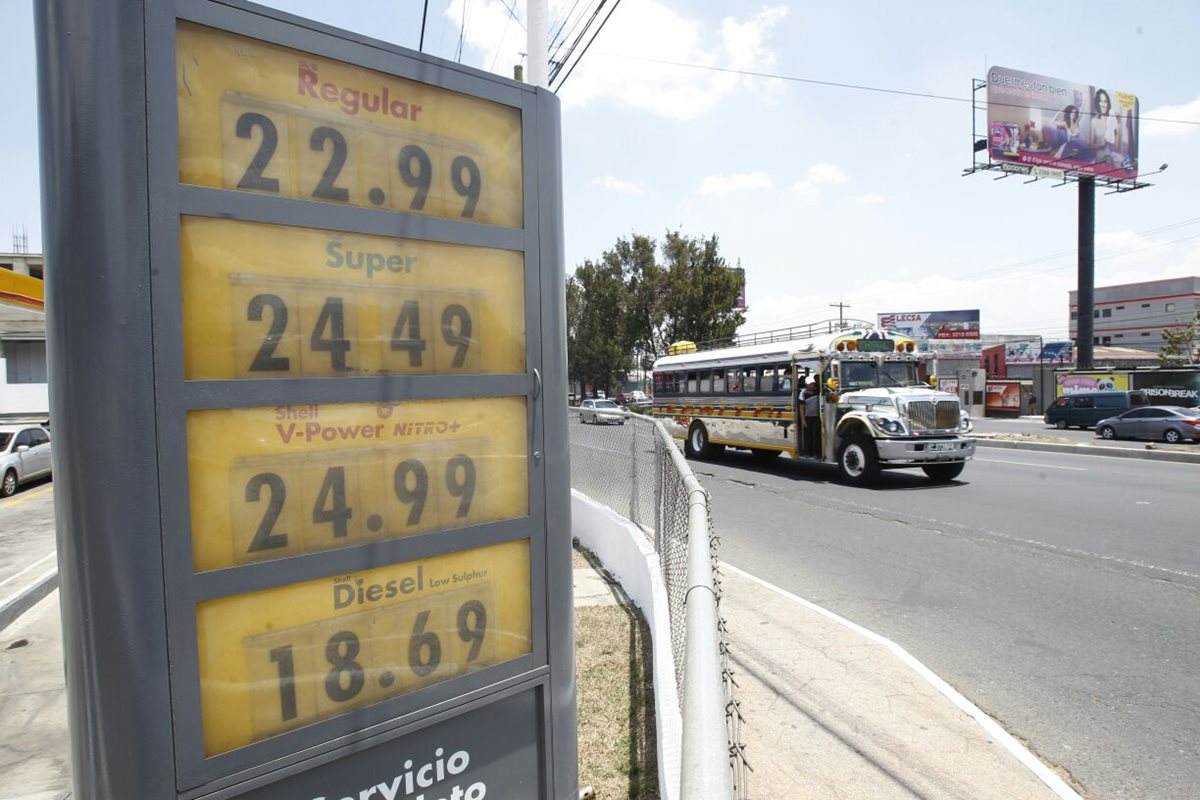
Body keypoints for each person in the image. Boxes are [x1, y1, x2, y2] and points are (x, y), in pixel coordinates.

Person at [1089, 88, 1121, 167]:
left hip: (1113, 155)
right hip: (1100, 156)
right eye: (1101, 101)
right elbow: (1091, 146)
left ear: (1108, 103)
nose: (1103, 104)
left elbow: (1117, 147)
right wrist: (1101, 144)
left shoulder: (1112, 120)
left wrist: (1116, 131)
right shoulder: (1094, 121)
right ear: (1097, 103)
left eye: (1105, 101)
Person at [803, 379, 821, 457]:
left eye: (813, 383)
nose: (812, 385)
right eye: (810, 384)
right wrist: (803, 420)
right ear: (806, 385)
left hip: (816, 417)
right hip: (807, 418)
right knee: (808, 436)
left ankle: (815, 453)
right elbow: (801, 408)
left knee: (816, 436)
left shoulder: (818, 393)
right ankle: (807, 453)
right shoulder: (803, 394)